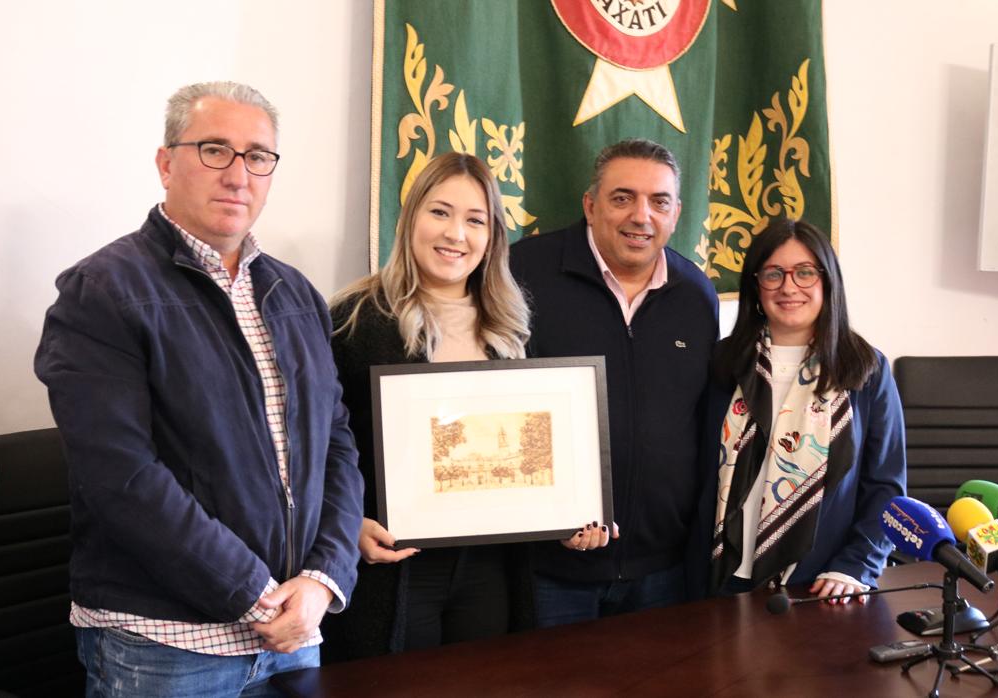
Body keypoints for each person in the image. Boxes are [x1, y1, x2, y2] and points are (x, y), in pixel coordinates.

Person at [34, 81, 363, 696]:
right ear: (165, 163)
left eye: (258, 156)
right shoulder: (102, 291)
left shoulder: (295, 295)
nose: (239, 175)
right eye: (215, 150)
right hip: (166, 646)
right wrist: (254, 594)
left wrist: (324, 577)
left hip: (296, 632)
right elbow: (121, 476)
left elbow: (336, 446)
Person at [320, 152, 534, 660]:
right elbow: (313, 447)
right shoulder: (352, 321)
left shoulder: (511, 329)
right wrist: (345, 524)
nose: (455, 234)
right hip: (390, 568)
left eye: (475, 220)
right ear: (411, 218)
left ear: (492, 236)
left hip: (488, 567)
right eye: (440, 212)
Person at [509, 138, 719, 627]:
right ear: (590, 204)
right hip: (552, 567)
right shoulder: (523, 272)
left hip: (665, 571)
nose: (641, 216)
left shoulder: (696, 295)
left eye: (659, 201)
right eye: (622, 198)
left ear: (676, 212)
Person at [699, 218, 907, 601]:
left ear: (828, 282)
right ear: (755, 285)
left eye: (805, 272)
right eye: (773, 273)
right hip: (721, 576)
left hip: (820, 584)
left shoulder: (866, 369)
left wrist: (855, 566)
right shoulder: (723, 362)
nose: (788, 287)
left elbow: (886, 488)